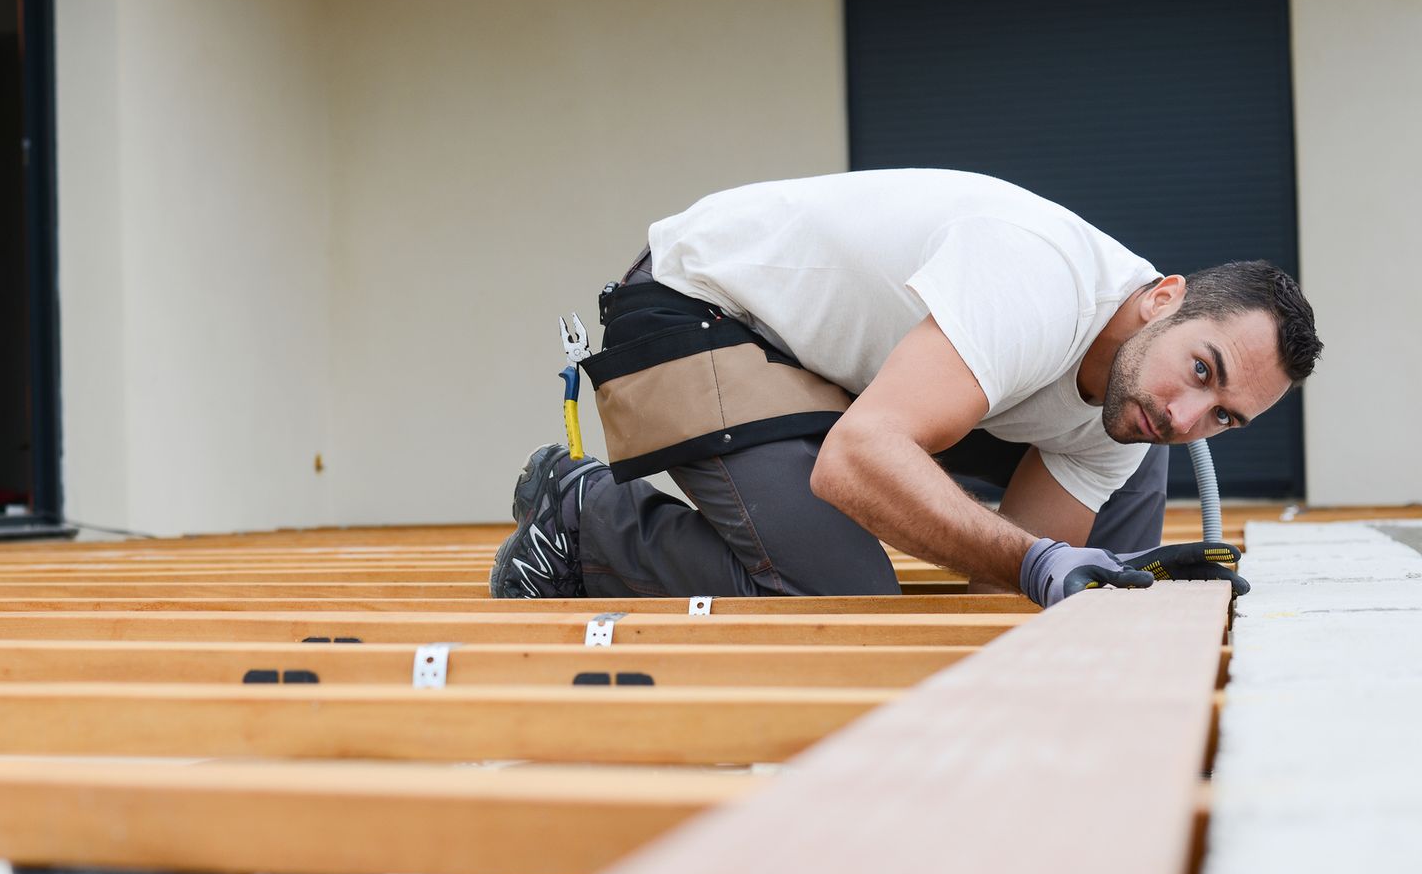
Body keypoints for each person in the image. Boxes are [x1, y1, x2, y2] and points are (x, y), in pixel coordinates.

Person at [489, 169, 1322, 607]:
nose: (1186, 414)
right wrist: (1037, 561)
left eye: (1224, 417)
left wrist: (1056, 587)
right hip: (704, 308)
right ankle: (583, 513)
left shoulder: (1135, 407)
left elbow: (1000, 582)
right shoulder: (1039, 283)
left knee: (1136, 464)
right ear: (1165, 296)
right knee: (842, 596)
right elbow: (856, 463)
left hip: (833, 371)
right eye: (1202, 369)